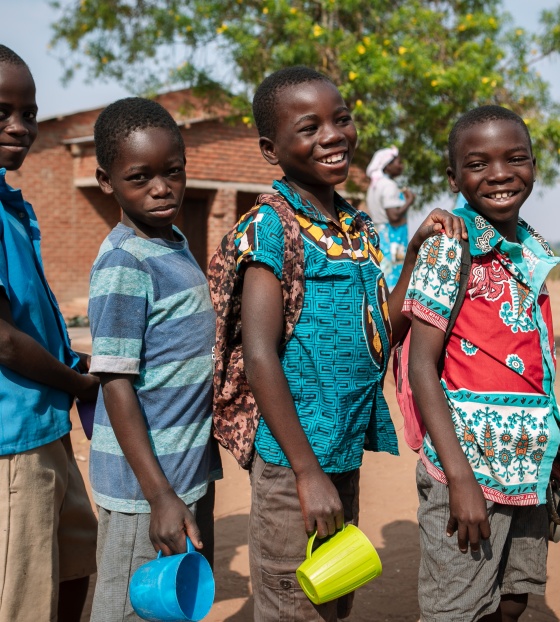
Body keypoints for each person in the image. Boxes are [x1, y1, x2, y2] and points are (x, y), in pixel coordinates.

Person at [212, 65, 466, 622]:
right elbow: (259, 356)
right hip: (292, 464)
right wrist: (306, 473)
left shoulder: (355, 226)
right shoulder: (272, 227)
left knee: (330, 597)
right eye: (309, 127)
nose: (333, 135)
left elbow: (383, 326)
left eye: (341, 120)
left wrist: (419, 246)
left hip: (340, 452)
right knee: (293, 601)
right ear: (270, 148)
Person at [405, 105, 560, 622]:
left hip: (528, 465)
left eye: (516, 158)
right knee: (458, 609)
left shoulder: (533, 249)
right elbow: (420, 366)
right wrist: (459, 478)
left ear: (534, 165)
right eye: (478, 163)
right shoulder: (451, 248)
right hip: (467, 466)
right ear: (454, 177)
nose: (499, 174)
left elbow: (541, 363)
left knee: (514, 597)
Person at [88, 97, 222, 620]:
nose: (161, 188)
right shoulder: (126, 260)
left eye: (172, 172)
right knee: (131, 606)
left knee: (173, 607)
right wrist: (160, 495)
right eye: (140, 178)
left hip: (184, 476)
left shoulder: (172, 243)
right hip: (145, 492)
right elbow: (115, 384)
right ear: (107, 182)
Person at [0, 45, 99, 622]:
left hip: (45, 423)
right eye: (2, 112)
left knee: (73, 561)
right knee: (23, 594)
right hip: (14, 439)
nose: (20, 126)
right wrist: (76, 382)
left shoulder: (11, 205)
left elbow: (28, 317)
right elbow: (5, 340)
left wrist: (73, 362)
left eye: (29, 113)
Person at [365, 146, 415, 290]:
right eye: (398, 162)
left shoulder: (374, 185)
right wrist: (409, 201)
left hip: (380, 234)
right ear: (387, 166)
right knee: (394, 275)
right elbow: (393, 216)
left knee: (384, 272)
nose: (401, 166)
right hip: (393, 238)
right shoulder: (388, 185)